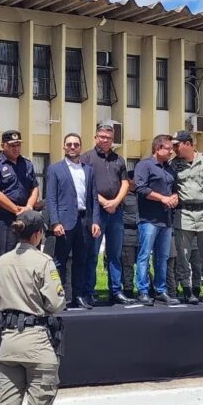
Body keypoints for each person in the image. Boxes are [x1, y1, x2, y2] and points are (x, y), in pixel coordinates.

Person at [0, 210, 66, 405]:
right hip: (38, 343)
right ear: (38, 234)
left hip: (9, 343)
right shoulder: (44, 262)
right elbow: (56, 304)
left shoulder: (2, 261)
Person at [47, 133, 101, 309]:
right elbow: (51, 198)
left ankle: (78, 296)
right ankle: (59, 297)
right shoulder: (55, 169)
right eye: (69, 144)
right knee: (59, 261)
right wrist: (55, 222)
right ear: (64, 147)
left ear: (80, 147)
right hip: (64, 222)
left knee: (81, 260)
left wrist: (95, 221)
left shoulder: (89, 170)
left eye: (75, 144)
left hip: (84, 221)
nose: (72, 147)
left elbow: (93, 198)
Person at [80, 122, 131, 305]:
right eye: (102, 137)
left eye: (109, 138)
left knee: (115, 253)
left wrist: (115, 202)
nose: (105, 140)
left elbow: (125, 183)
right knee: (92, 253)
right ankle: (89, 290)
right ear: (96, 137)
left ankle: (115, 291)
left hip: (116, 212)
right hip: (96, 212)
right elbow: (85, 186)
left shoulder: (119, 159)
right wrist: (103, 202)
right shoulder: (87, 158)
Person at [170, 130, 203, 304]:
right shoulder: (173, 164)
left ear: (188, 144)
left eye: (177, 145)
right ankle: (187, 290)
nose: (174, 149)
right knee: (183, 255)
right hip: (184, 213)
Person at [133, 134, 180, 306]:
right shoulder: (144, 165)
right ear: (157, 148)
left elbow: (174, 189)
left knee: (163, 257)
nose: (171, 151)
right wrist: (163, 198)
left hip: (166, 219)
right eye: (168, 148)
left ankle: (161, 290)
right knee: (144, 255)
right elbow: (141, 188)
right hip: (149, 219)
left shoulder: (169, 169)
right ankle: (143, 291)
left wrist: (174, 197)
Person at [0, 130, 40, 260]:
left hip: (26, 216)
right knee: (5, 256)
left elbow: (35, 188)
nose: (16, 148)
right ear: (3, 145)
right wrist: (16, 210)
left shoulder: (27, 164)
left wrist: (29, 207)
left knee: (29, 255)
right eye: (12, 145)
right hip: (5, 219)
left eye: (18, 145)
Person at [121, 171, 139, 298]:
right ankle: (128, 289)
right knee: (128, 264)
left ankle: (147, 287)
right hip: (127, 234)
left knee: (144, 264)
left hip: (142, 234)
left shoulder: (142, 194)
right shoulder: (123, 196)